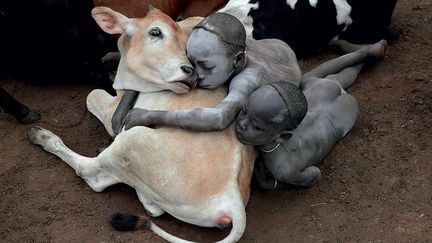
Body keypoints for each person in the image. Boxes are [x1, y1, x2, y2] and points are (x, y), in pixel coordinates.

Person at [111, 12, 301, 134]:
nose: (196, 73)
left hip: (283, 60)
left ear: (238, 61)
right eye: (192, 61)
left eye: (206, 67)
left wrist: (151, 116)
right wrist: (130, 94)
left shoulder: (248, 78)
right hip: (273, 47)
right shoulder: (218, 45)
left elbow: (219, 118)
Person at [235, 40, 387, 189]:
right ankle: (365, 54)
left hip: (344, 115)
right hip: (333, 102)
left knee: (326, 81)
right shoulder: (278, 139)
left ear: (282, 136)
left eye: (255, 126)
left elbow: (315, 174)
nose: (242, 123)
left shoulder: (283, 170)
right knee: (313, 80)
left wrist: (272, 184)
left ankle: (364, 57)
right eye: (244, 112)